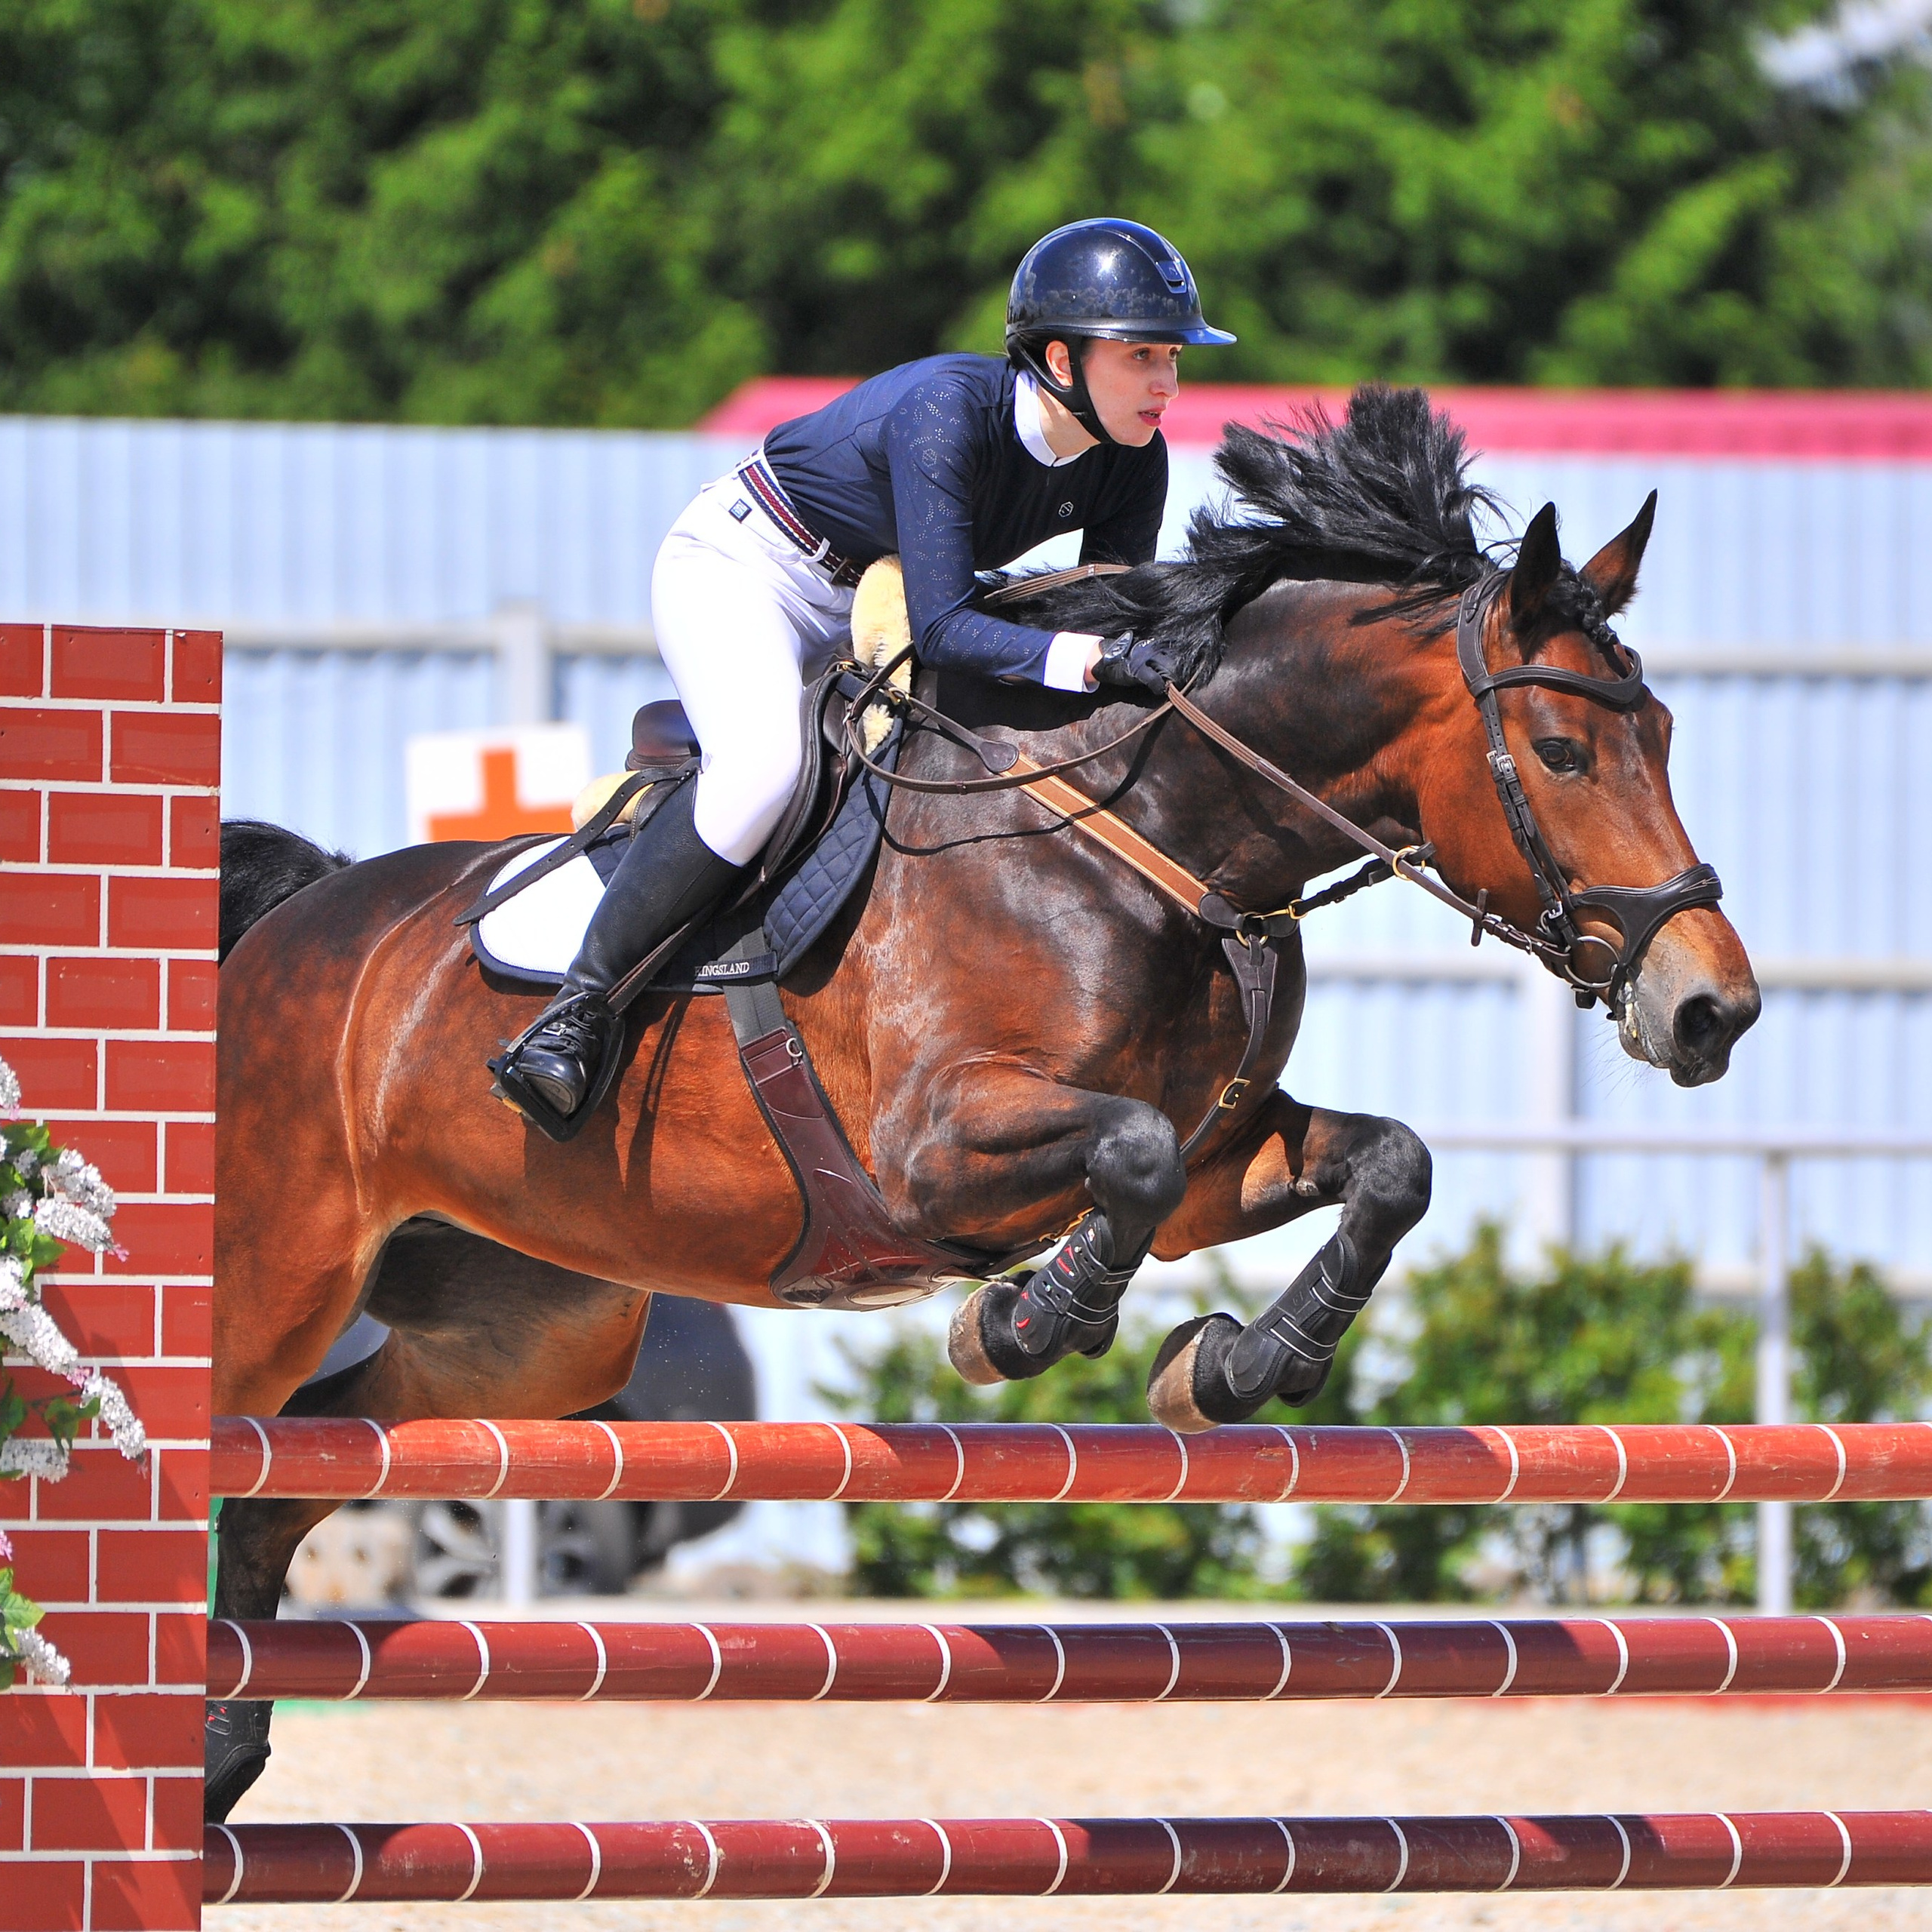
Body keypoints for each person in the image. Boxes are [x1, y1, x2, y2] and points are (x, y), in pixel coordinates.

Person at [491, 217, 1235, 1140]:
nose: (1167, 382)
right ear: (1057, 358)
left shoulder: (1134, 458)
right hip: (751, 568)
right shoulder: (946, 412)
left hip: (875, 596)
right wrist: (1096, 658)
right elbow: (947, 625)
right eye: (1143, 356)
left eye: (1172, 356)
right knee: (764, 765)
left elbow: (1103, 610)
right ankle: (575, 1013)